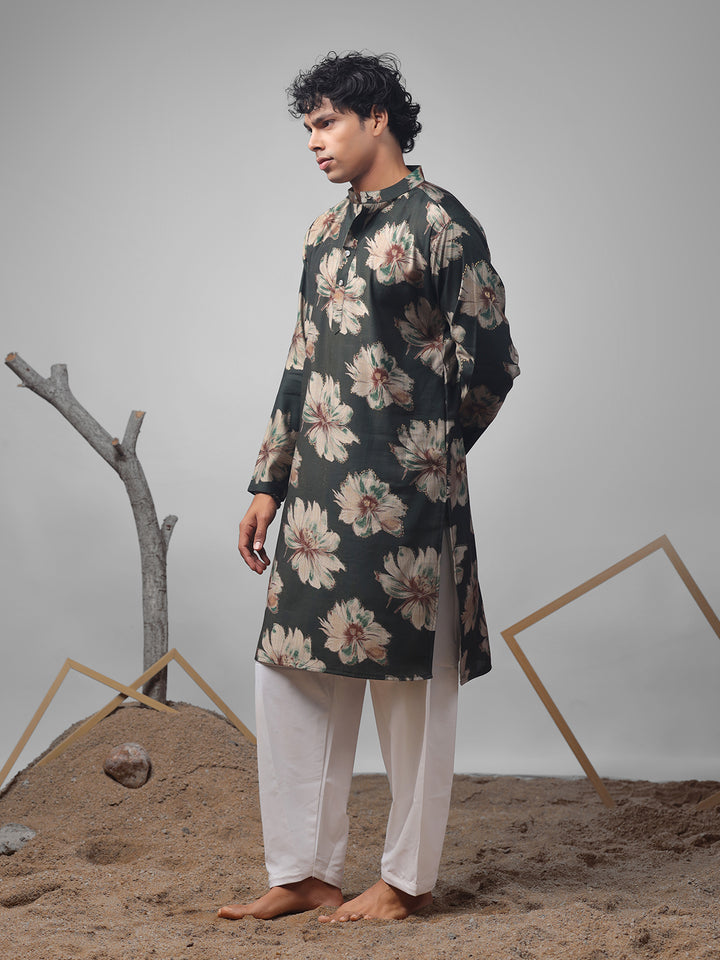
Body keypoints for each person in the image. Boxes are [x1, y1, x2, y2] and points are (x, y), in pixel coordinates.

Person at [218, 50, 519, 923]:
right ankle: (304, 871)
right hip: (316, 504)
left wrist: (427, 458)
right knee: (292, 679)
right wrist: (268, 482)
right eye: (308, 127)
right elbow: (301, 360)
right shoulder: (324, 231)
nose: (314, 142)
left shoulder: (442, 224)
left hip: (410, 507)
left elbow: (493, 363)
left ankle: (406, 882)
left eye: (326, 123)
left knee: (411, 693)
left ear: (376, 118)